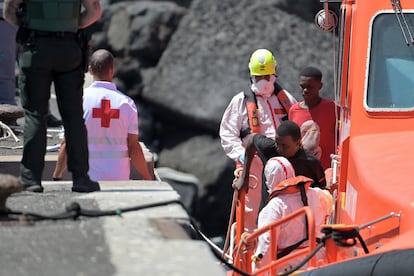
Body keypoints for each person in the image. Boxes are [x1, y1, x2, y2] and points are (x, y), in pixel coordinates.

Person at [3, 0, 102, 192]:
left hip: (36, 48)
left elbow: (8, 12)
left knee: (35, 115)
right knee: (73, 116)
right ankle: (81, 178)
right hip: (69, 48)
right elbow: (94, 12)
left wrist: (30, 25)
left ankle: (31, 179)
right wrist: (72, 25)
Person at [220, 48, 297, 231]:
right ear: (251, 77)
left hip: (282, 162)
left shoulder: (286, 100)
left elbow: (298, 125)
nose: (263, 82)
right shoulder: (240, 101)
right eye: (258, 78)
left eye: (266, 77)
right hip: (252, 162)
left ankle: (281, 243)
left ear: (274, 74)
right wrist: (240, 156)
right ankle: (247, 248)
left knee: (285, 203)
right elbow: (227, 132)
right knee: (249, 209)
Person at [52, 49, 153, 181]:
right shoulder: (127, 104)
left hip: (87, 178)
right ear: (112, 70)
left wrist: (57, 175)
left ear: (90, 70)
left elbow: (67, 143)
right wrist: (147, 177)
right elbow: (133, 147)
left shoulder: (78, 100)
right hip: (119, 177)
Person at [252, 157, 332, 273]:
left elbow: (265, 248)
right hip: (319, 261)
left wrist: (259, 272)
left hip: (288, 267)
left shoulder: (274, 208)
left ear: (269, 180)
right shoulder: (318, 194)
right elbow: (329, 203)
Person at [235, 120, 326, 194]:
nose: (279, 149)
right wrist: (244, 176)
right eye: (277, 143)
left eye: (284, 146)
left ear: (297, 143)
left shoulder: (311, 162)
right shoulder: (269, 149)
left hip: (296, 213)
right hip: (269, 211)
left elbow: (322, 189)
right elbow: (252, 139)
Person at [289, 67, 337, 170]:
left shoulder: (332, 108)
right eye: (302, 87)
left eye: (310, 87)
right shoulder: (293, 110)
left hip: (328, 171)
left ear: (320, 86)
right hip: (303, 171)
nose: (305, 90)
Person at [0, 0, 18, 105]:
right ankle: (7, 111)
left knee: (36, 70)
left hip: (29, 21)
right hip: (4, 21)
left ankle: (42, 113)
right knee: (4, 69)